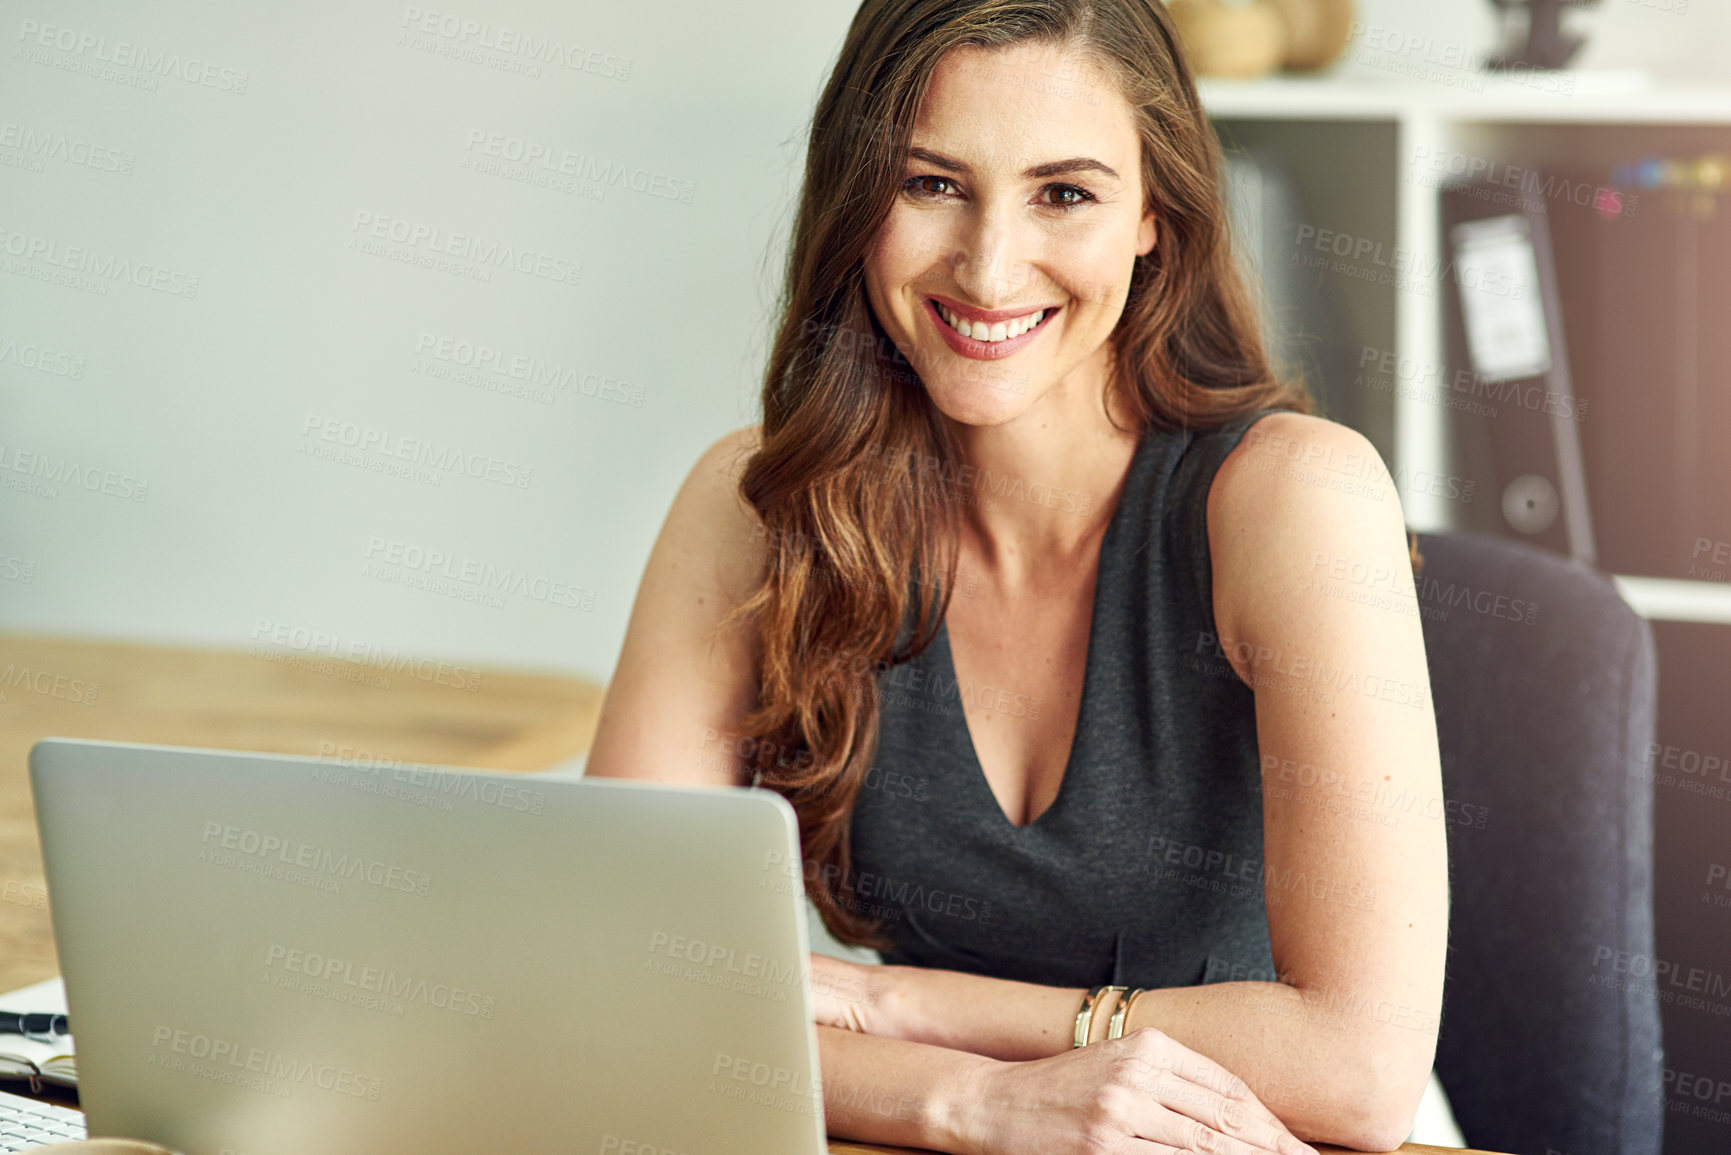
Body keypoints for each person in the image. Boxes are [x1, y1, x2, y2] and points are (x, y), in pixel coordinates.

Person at [584, 1, 1448, 1152]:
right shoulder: (756, 508)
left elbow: (1357, 1069)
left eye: (1066, 193)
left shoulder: (1298, 500)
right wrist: (971, 1099)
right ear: (856, 198)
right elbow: (616, 981)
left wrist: (898, 1007)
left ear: (1154, 216)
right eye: (931, 183)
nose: (990, 270)